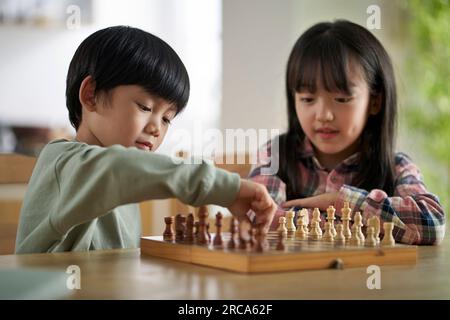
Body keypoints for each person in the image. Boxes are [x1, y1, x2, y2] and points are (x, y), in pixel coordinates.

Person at [15, 26, 275, 254]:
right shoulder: (62, 162)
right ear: (91, 95)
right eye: (145, 107)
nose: (156, 128)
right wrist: (226, 189)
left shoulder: (125, 180)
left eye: (166, 119)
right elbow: (117, 167)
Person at [248, 20, 445, 245]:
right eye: (307, 99)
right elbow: (261, 216)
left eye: (342, 99)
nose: (324, 115)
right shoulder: (274, 154)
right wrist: (364, 219)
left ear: (375, 102)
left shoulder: (396, 166)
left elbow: (433, 223)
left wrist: (344, 202)